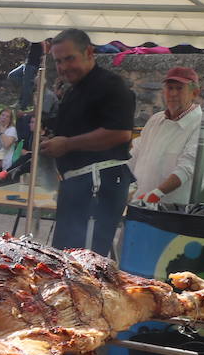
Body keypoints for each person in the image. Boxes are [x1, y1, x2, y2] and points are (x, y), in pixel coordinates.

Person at [41, 29, 136, 255]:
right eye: (58, 61)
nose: (64, 67)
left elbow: (120, 133)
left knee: (85, 261)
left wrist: (66, 144)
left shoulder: (111, 85)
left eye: (69, 58)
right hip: (76, 186)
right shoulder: (74, 90)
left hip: (97, 184)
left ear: (89, 52)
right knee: (64, 257)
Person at [129, 66, 204, 207]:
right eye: (170, 88)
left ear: (194, 93)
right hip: (140, 205)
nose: (173, 93)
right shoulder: (155, 120)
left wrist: (156, 193)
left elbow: (188, 168)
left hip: (172, 211)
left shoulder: (202, 126)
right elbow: (135, 154)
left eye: (179, 88)